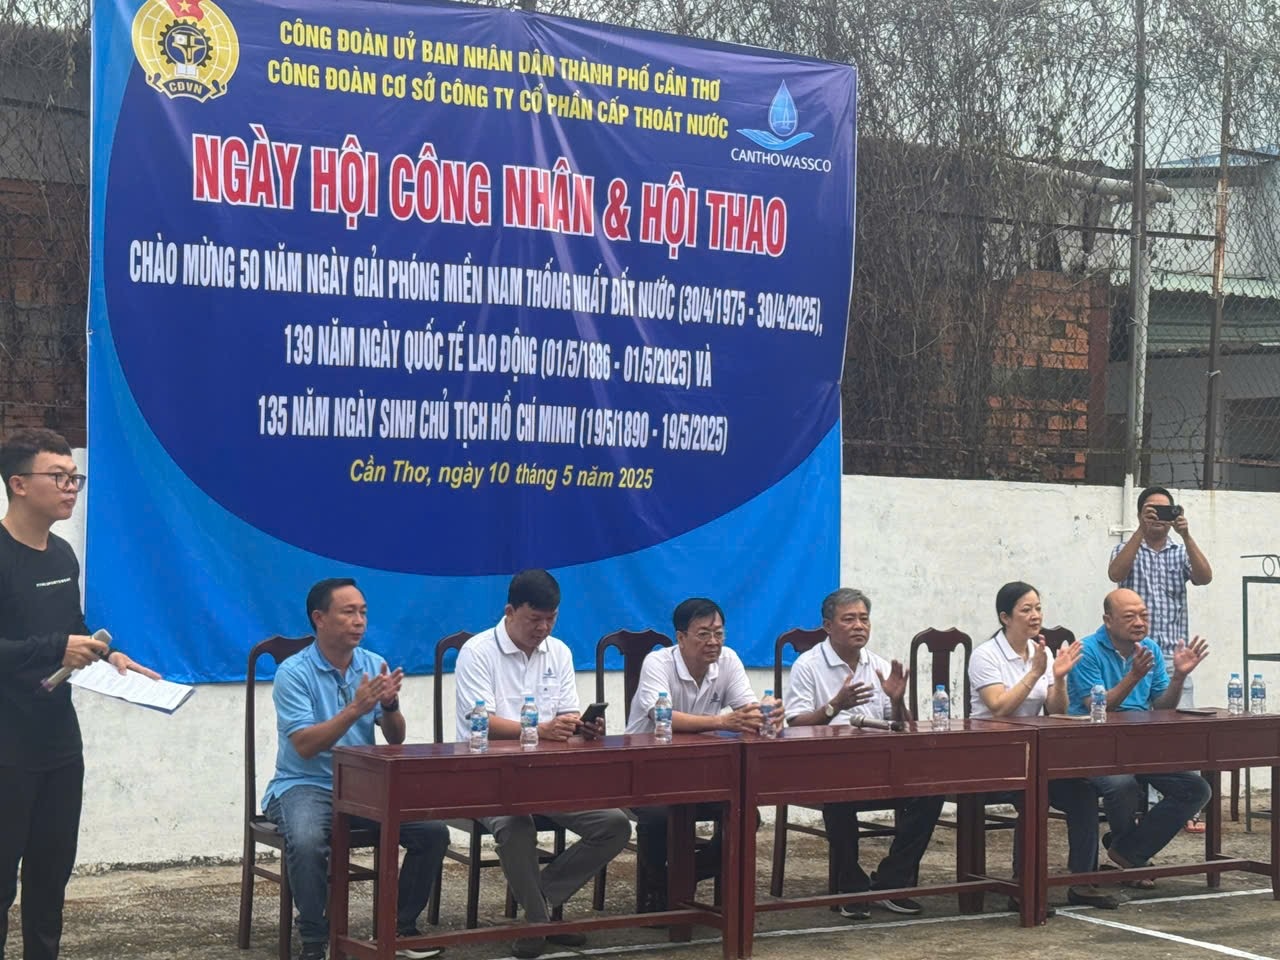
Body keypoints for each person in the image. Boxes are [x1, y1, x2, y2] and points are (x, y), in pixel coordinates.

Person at [0, 428, 160, 960]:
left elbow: (72, 626)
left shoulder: (63, 556)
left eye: (76, 478)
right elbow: (48, 642)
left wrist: (107, 655)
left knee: (50, 880)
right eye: (59, 477)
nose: (71, 487)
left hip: (59, 747)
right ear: (19, 484)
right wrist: (54, 648)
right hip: (6, 749)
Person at [262, 578, 448, 960]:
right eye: (348, 612)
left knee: (432, 832)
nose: (359, 621)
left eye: (363, 612)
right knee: (307, 840)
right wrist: (355, 710)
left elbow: (395, 739)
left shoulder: (372, 664)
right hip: (305, 783)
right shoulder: (293, 673)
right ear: (319, 618)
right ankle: (315, 939)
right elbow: (305, 746)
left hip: (362, 785)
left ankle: (398, 929)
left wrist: (391, 706)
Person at [453, 569, 630, 959]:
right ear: (510, 611)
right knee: (516, 825)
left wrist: (582, 728)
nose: (543, 628)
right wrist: (539, 729)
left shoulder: (559, 652)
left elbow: (564, 718)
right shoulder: (478, 652)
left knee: (614, 824)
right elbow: (481, 722)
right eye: (535, 619)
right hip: (487, 775)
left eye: (551, 618)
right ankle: (538, 920)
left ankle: (540, 906)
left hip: (548, 776)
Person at [785, 588, 942, 918]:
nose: (859, 626)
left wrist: (897, 700)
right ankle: (851, 886)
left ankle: (891, 882)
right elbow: (796, 724)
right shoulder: (808, 665)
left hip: (877, 764)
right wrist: (835, 706)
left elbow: (903, 729)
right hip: (826, 766)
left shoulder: (878, 665)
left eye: (864, 619)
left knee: (931, 792)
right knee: (839, 793)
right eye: (849, 619)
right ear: (828, 626)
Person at [968, 581, 1119, 910]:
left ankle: (1082, 881)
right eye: (1026, 610)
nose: (1035, 615)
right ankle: (1022, 885)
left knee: (1082, 794)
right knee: (1034, 793)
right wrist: (1035, 673)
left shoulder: (1043, 652)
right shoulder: (985, 655)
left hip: (1032, 753)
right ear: (1005, 617)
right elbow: (999, 708)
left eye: (1038, 608)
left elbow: (1056, 710)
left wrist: (1059, 677)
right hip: (991, 754)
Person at [625, 597, 766, 908]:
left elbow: (749, 711)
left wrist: (763, 715)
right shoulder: (658, 663)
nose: (713, 642)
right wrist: (722, 721)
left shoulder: (728, 660)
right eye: (703, 634)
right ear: (681, 637)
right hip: (648, 770)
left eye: (719, 633)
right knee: (659, 816)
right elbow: (662, 717)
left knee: (746, 816)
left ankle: (677, 880)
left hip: (700, 772)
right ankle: (657, 891)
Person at [1067, 588, 1212, 881]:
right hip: (1093, 744)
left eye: (1144, 615)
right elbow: (1097, 706)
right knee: (1122, 784)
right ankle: (1129, 853)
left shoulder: (1150, 649)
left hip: (1139, 743)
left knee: (1197, 788)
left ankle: (1129, 850)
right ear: (1108, 620)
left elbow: (1162, 705)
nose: (1139, 622)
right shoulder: (1087, 650)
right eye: (1130, 616)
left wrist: (1179, 677)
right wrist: (1133, 676)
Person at [1108, 485, 1213, 832]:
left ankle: (1185, 809)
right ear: (1141, 514)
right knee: (1143, 734)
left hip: (1174, 654)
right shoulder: (1127, 547)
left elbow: (1204, 577)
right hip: (1136, 654)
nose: (1159, 517)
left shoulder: (1179, 551)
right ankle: (1152, 807)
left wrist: (1186, 534)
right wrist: (1140, 530)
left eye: (1166, 511)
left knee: (1182, 732)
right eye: (1152, 511)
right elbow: (1115, 574)